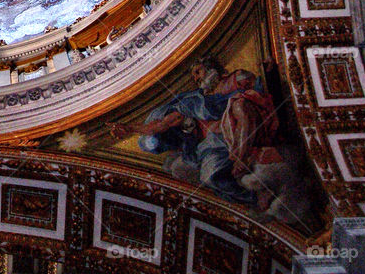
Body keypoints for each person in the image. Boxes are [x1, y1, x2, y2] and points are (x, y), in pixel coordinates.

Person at [109, 56, 278, 206]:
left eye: (198, 72)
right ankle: (254, 197)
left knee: (238, 104)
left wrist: (267, 73)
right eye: (194, 76)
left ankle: (240, 158)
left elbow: (260, 87)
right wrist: (131, 128)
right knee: (209, 177)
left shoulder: (236, 78)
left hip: (252, 119)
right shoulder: (193, 102)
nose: (197, 78)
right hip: (218, 141)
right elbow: (161, 124)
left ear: (211, 68)